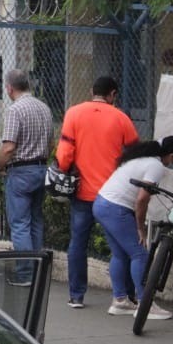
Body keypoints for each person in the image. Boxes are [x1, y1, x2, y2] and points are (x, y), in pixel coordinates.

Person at [56, 75, 139, 308]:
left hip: (82, 192)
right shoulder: (121, 118)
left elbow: (64, 154)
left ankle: (76, 295)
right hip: (112, 196)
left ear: (93, 91)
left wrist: (64, 171)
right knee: (121, 247)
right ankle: (124, 295)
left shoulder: (73, 113)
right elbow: (135, 153)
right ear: (113, 94)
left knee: (78, 243)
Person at [93, 136, 173, 319]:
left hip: (102, 204)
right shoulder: (156, 166)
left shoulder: (140, 158)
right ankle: (146, 304)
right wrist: (140, 227)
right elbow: (142, 199)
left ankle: (120, 301)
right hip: (116, 208)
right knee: (140, 254)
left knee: (120, 254)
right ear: (172, 155)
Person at [0, 69, 52, 268]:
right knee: (36, 220)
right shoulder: (44, 107)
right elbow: (50, 143)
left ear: (9, 88)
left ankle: (25, 273)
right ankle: (37, 272)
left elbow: (9, 147)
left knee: (20, 225)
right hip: (41, 168)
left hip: (20, 172)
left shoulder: (15, 110)